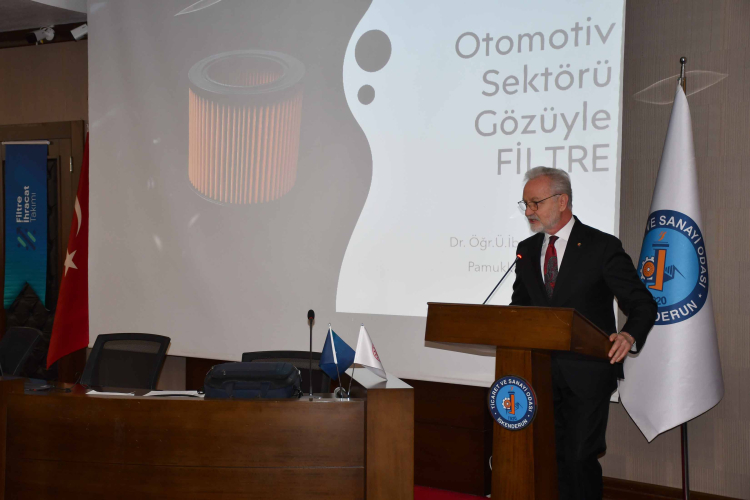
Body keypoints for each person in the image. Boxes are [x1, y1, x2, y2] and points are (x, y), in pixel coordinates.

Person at [510, 167, 657, 500]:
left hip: (587, 373)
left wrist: (628, 335)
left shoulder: (601, 246)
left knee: (579, 459)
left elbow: (642, 303)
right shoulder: (526, 250)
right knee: (549, 457)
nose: (529, 211)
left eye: (535, 203)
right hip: (540, 374)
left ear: (562, 201)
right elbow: (520, 308)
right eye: (525, 204)